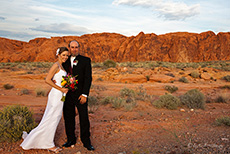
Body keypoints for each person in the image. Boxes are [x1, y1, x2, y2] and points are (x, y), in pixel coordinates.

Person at [20, 47, 69, 153]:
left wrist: (66, 86)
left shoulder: (62, 66)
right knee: (52, 117)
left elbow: (58, 79)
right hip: (56, 94)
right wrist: (61, 88)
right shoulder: (56, 65)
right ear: (59, 54)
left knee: (54, 117)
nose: (65, 57)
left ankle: (41, 139)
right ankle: (49, 144)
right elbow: (47, 80)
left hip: (60, 94)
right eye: (64, 55)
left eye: (67, 55)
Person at [62, 40, 94, 151]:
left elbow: (88, 78)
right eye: (72, 47)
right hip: (67, 95)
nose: (74, 49)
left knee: (84, 117)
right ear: (69, 48)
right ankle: (70, 139)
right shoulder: (64, 61)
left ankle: (86, 141)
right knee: (68, 117)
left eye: (76, 47)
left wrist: (85, 94)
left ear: (79, 48)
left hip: (81, 95)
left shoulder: (85, 60)